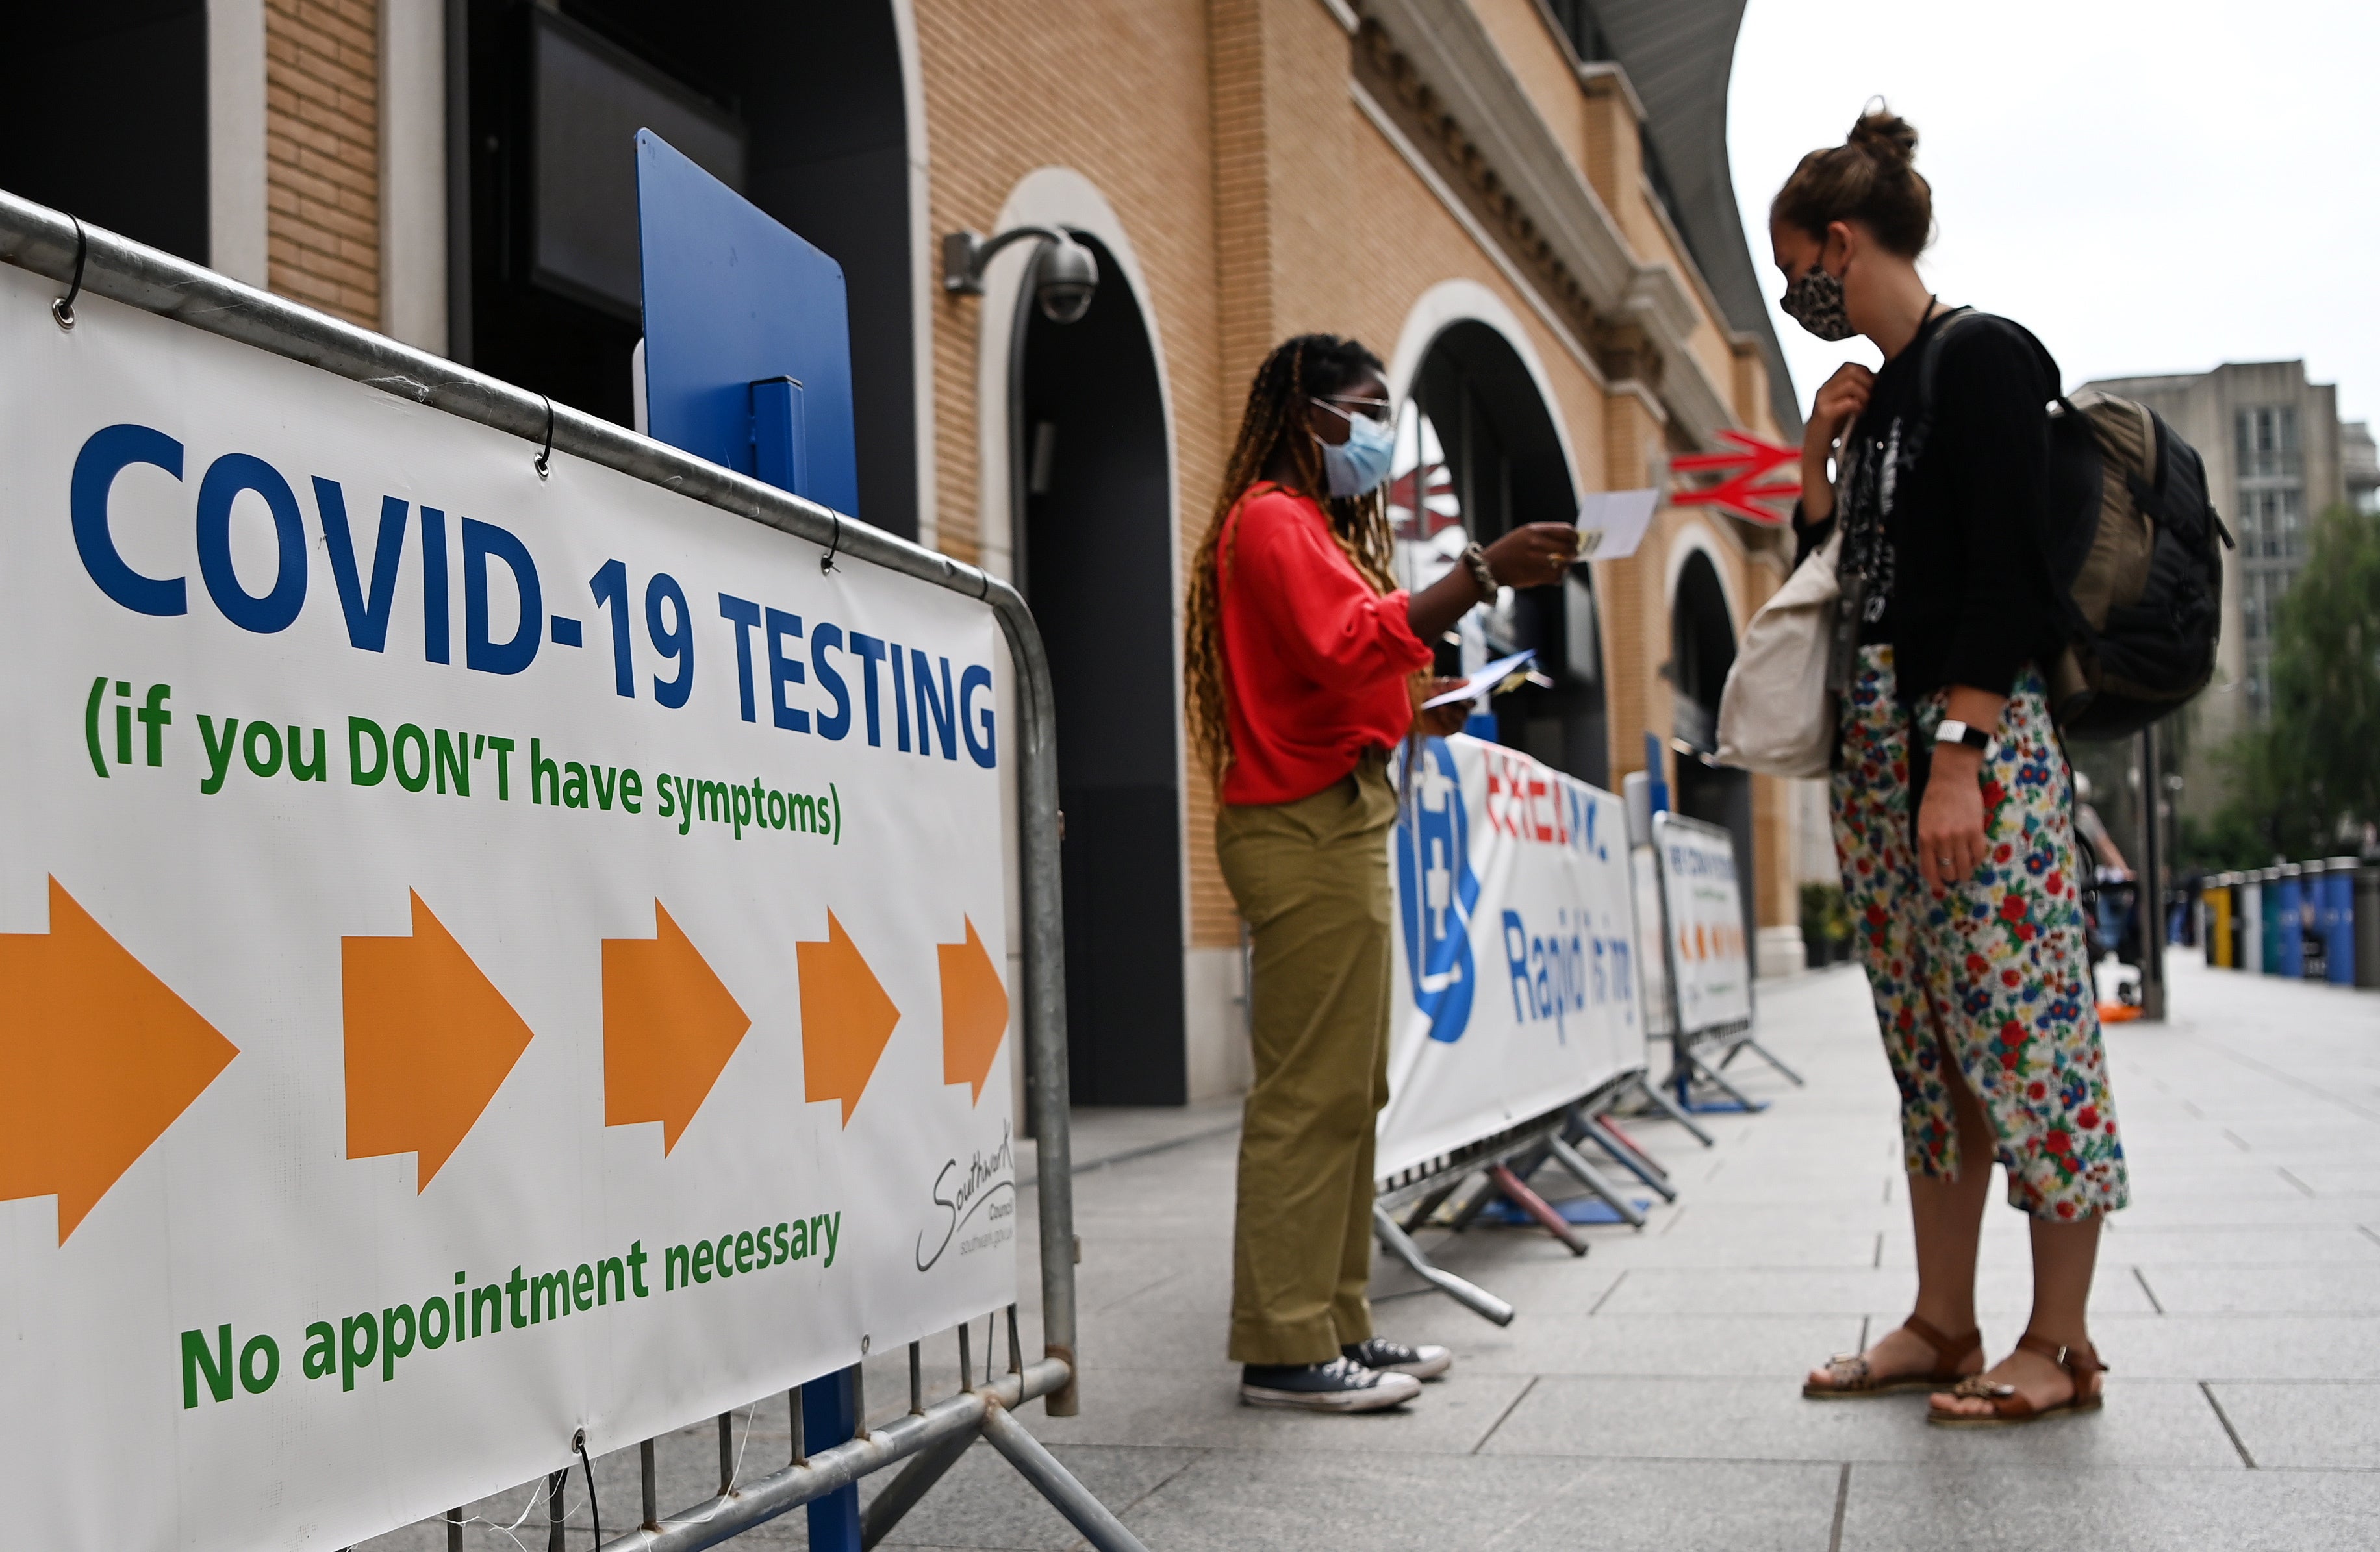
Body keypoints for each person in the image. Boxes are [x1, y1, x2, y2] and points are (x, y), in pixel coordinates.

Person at [1773, 110, 2128, 1426]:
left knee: (2024, 1028)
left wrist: (1956, 758)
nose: (1793, 291)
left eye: (1793, 264)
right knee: (1929, 1046)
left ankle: (2060, 1339)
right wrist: (1815, 462)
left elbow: (2009, 574)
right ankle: (1940, 1317)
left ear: (1839, 242)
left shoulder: (1979, 358)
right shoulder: (1874, 404)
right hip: (1878, 740)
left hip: (1965, 739)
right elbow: (1839, 589)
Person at [1182, 334, 1580, 1411]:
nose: (1377, 431)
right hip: (1302, 826)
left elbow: (1337, 671)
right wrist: (1482, 570)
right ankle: (1281, 1346)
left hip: (1338, 814)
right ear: (1304, 414)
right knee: (1310, 1092)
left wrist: (1420, 702)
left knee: (1353, 1089)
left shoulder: (1305, 523)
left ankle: (1337, 1322)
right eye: (1361, 408)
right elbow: (1346, 640)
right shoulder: (1270, 517)